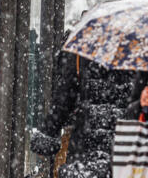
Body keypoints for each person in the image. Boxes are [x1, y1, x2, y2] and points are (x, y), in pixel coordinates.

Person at [30, 38, 134, 177]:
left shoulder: (83, 49)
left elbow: (64, 99)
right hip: (126, 146)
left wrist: (48, 133)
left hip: (85, 147)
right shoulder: (139, 52)